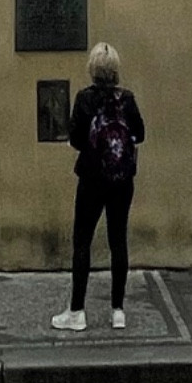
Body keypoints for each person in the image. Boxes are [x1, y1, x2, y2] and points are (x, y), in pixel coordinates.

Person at [52, 41, 146, 334]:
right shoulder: (127, 99)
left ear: (92, 69)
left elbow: (77, 139)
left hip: (92, 180)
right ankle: (118, 311)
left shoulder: (84, 99)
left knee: (82, 242)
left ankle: (77, 311)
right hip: (122, 180)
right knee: (119, 241)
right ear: (116, 69)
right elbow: (140, 135)